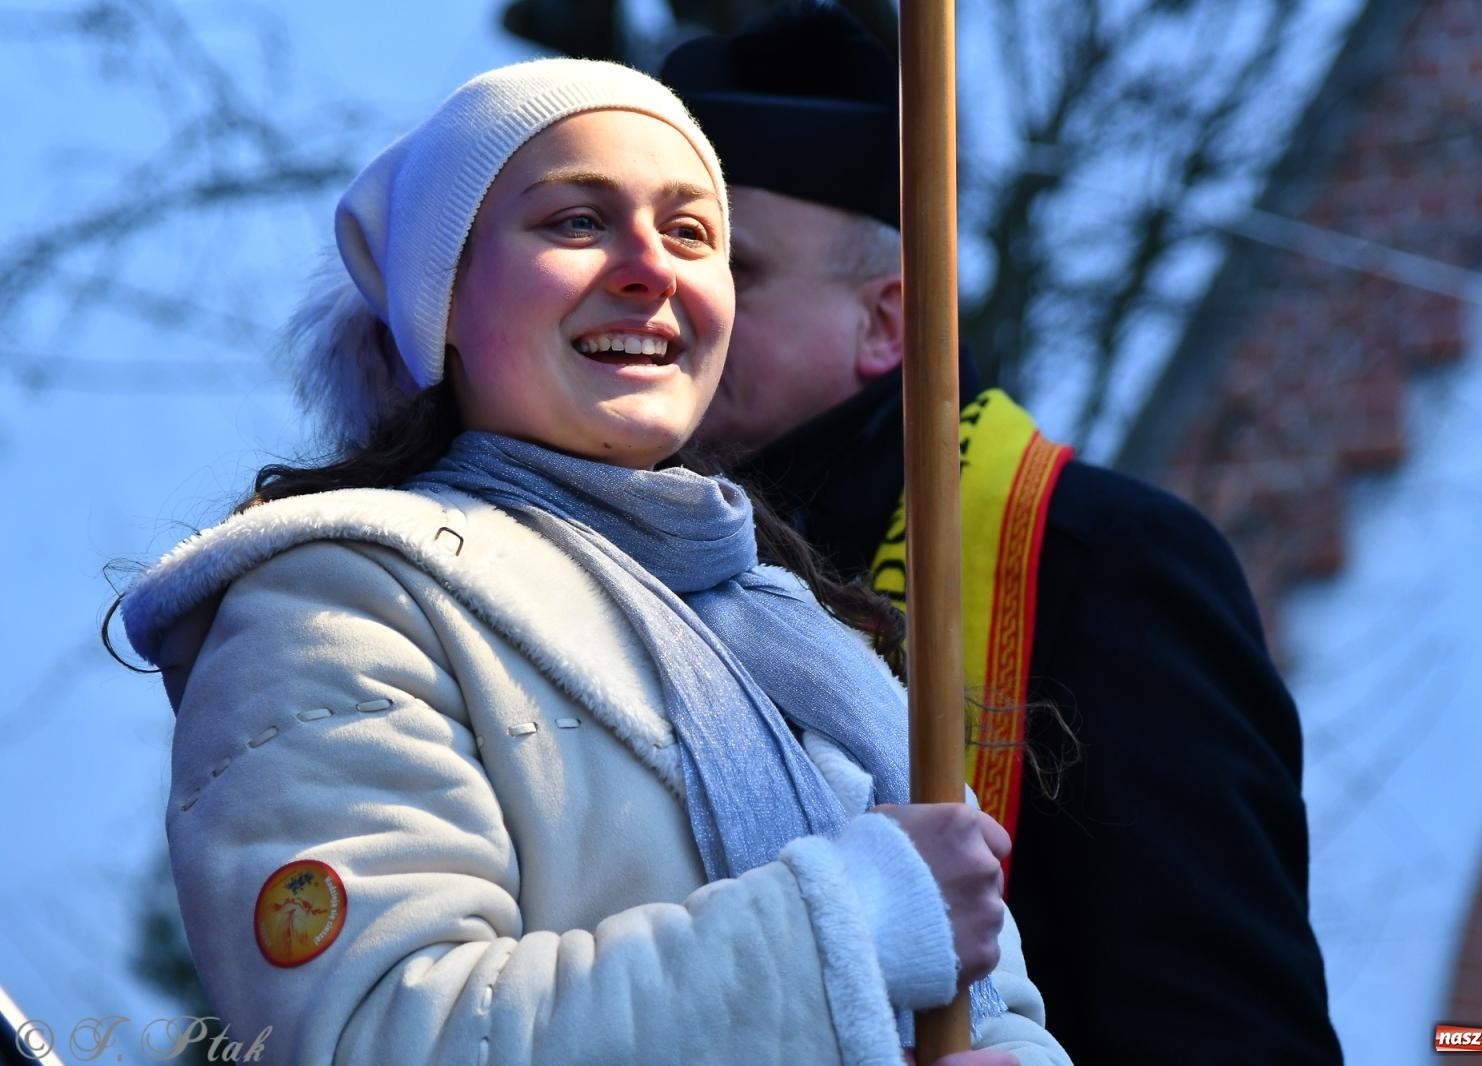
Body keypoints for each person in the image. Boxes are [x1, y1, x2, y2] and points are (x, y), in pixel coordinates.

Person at [116, 58, 1069, 1065]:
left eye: (694, 234)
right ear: (442, 299)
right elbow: (382, 1033)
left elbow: (994, 1002)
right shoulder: (334, 603)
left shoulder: (807, 646)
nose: (650, 268)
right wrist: (857, 914)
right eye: (575, 221)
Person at [659, 5, 1344, 1063]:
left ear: (887, 321)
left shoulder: (1103, 565)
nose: (671, 299)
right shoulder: (626, 559)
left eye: (729, 266)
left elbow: (1227, 1030)